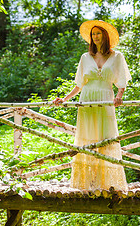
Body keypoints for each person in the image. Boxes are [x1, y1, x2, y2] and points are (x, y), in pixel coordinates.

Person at [53, 20, 131, 191]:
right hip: (87, 99)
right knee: (87, 138)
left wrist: (119, 96)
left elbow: (122, 81)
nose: (95, 36)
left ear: (105, 36)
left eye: (98, 33)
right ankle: (86, 183)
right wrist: (65, 99)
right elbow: (79, 84)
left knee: (106, 137)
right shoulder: (85, 57)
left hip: (105, 98)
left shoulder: (117, 56)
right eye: (93, 34)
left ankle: (107, 183)